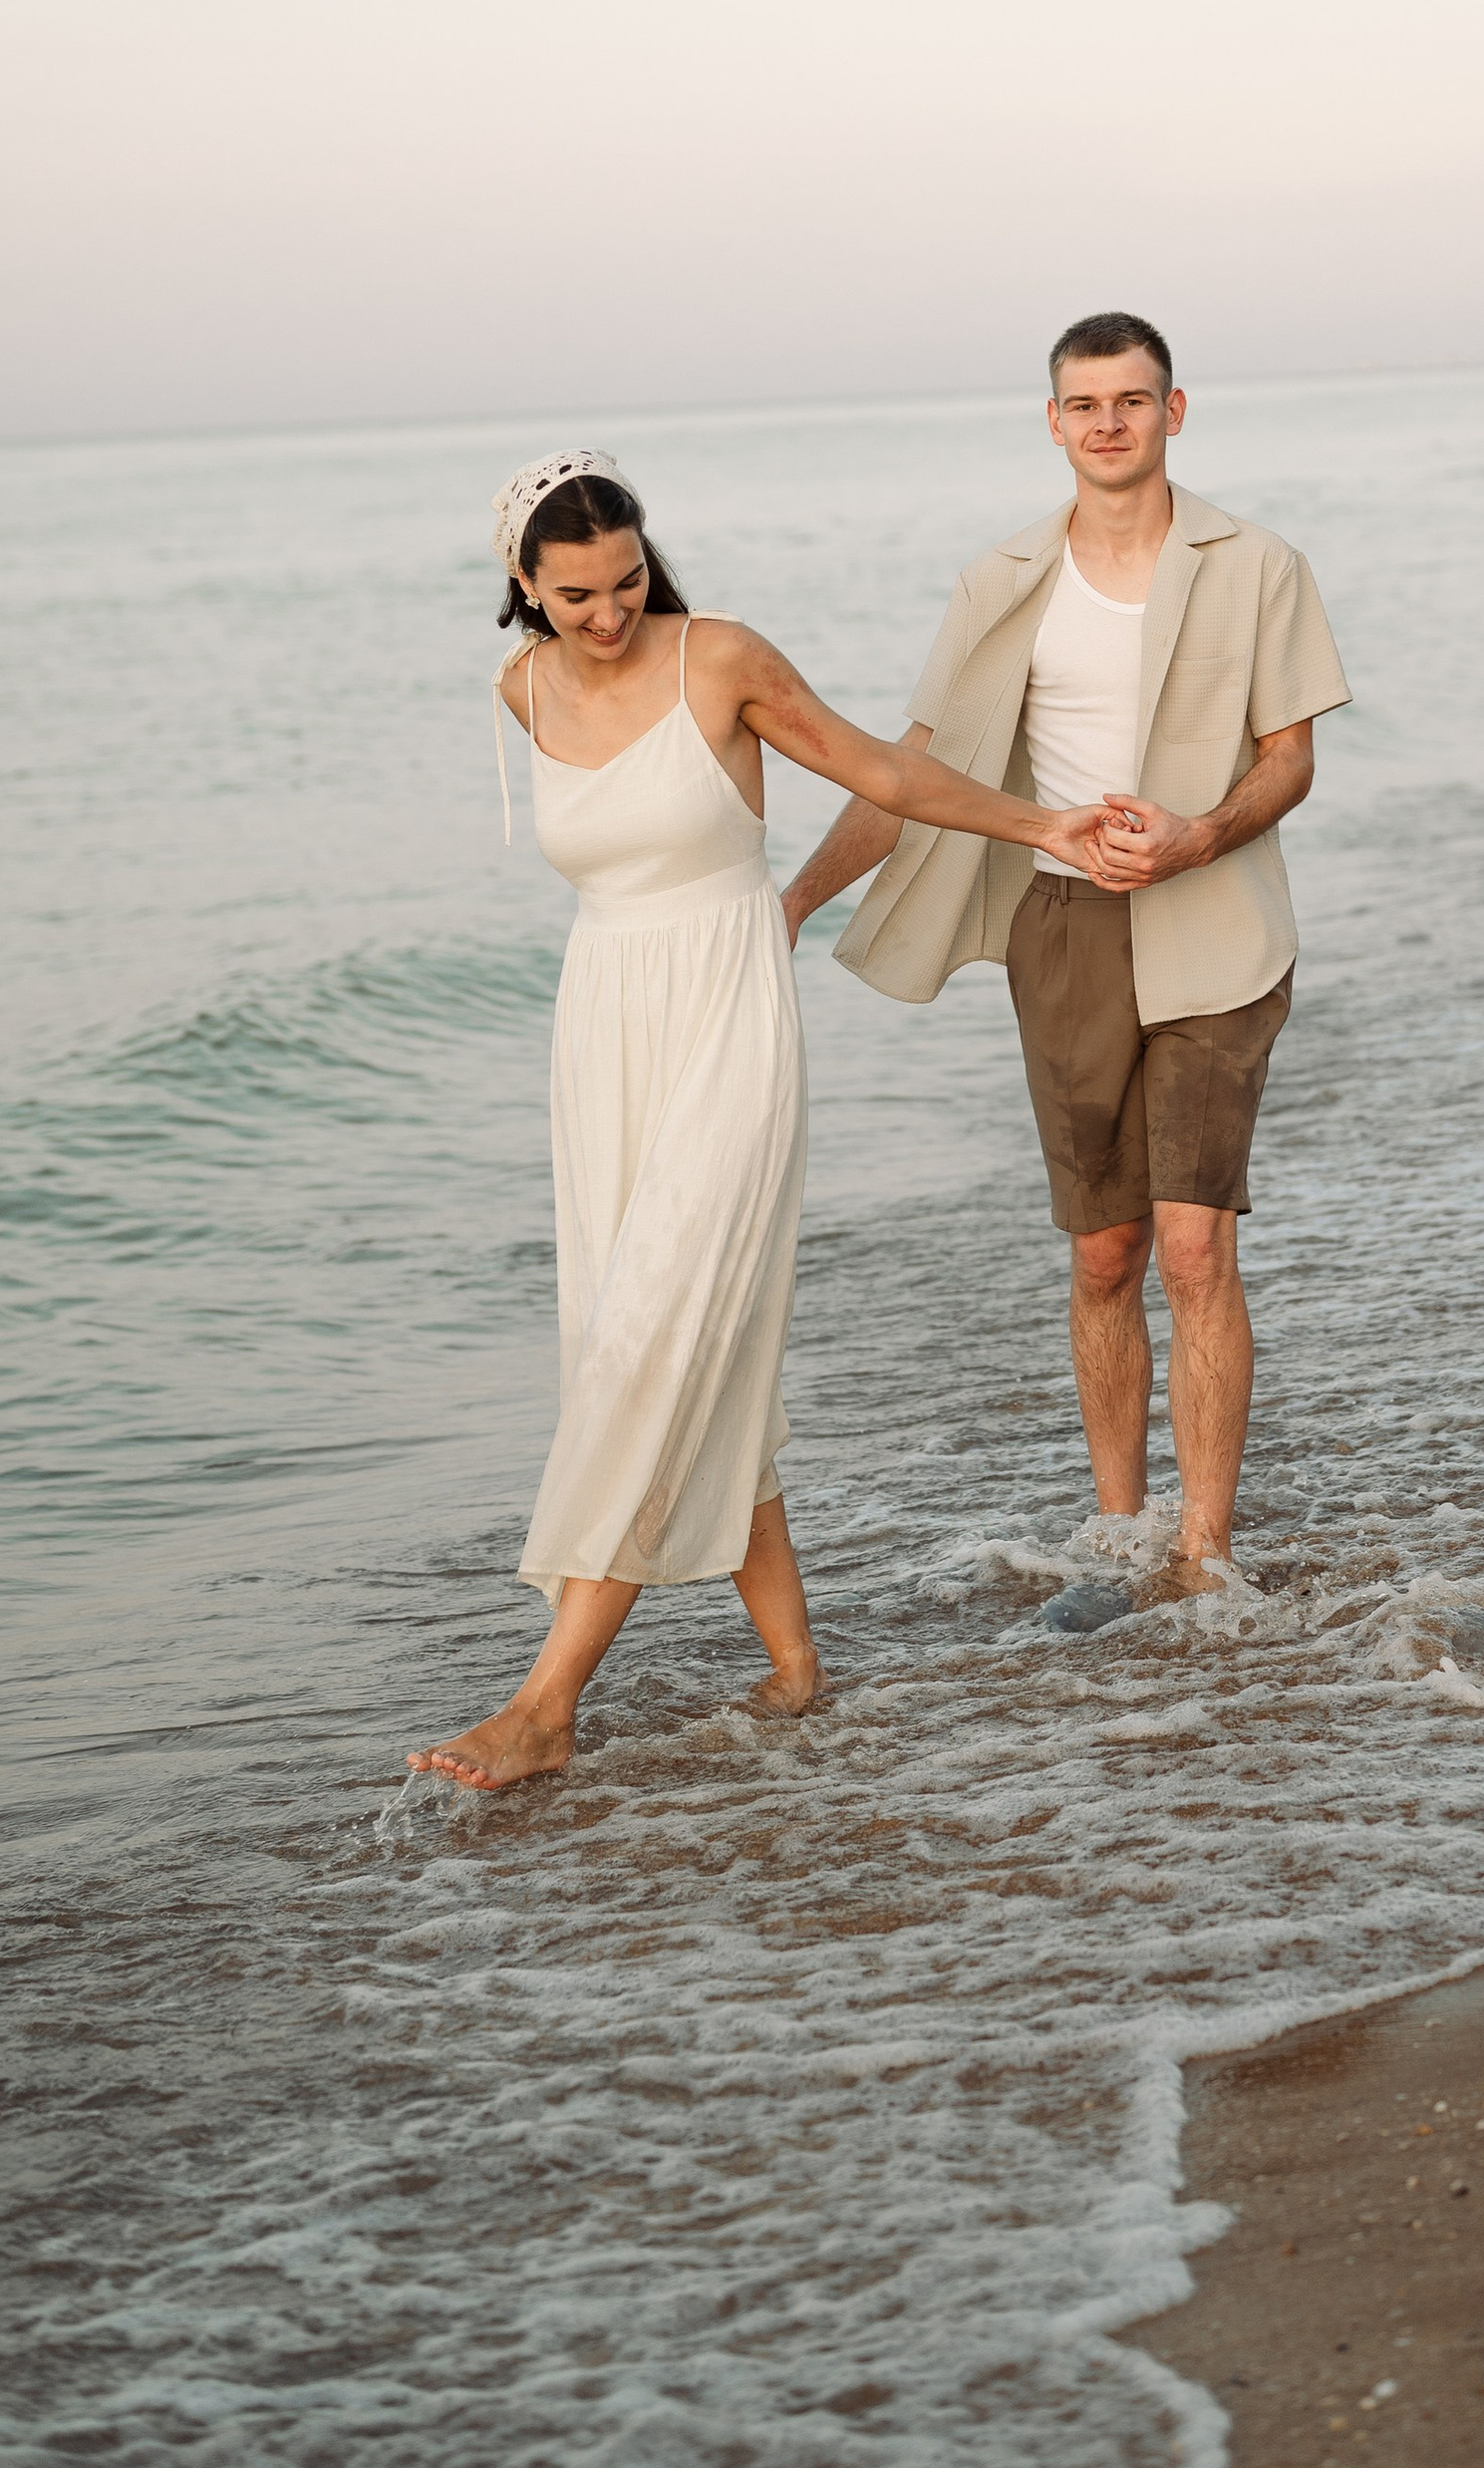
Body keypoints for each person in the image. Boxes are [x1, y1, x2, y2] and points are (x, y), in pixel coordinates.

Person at [408, 450, 1109, 1792]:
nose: (607, 616)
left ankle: (544, 1704)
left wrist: (1050, 826)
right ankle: (798, 1672)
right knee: (664, 1341)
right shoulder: (520, 688)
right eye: (574, 596)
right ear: (523, 586)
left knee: (658, 1344)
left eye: (624, 582)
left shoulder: (717, 658)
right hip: (604, 1029)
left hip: (729, 1019)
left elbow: (885, 778)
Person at [781, 315, 1348, 1595]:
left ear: (1174, 410)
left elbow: (1293, 757)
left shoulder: (1256, 562)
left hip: (1218, 926)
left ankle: (1204, 1551)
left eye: (1131, 400)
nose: (1108, 422)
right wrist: (794, 899)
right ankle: (1119, 1529)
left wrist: (1200, 833)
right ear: (1053, 420)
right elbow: (908, 765)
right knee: (1106, 1251)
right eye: (1084, 402)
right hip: (1065, 928)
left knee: (1196, 1243)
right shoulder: (1000, 581)